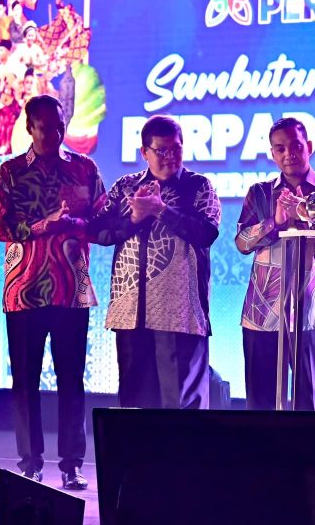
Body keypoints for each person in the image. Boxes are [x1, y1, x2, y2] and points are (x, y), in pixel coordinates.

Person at [0, 94, 104, 489]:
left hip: (71, 290)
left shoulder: (85, 168)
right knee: (25, 383)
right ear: (29, 128)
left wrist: (86, 224)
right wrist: (42, 225)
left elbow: (102, 220)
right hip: (25, 291)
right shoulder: (11, 172)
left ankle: (72, 466)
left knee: (72, 382)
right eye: (45, 127)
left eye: (59, 126)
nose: (53, 134)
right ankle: (30, 464)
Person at [89, 115, 221, 409]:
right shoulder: (126, 186)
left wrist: (161, 210)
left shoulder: (199, 186)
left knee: (181, 405)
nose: (170, 156)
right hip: (130, 312)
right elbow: (97, 231)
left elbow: (206, 233)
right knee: (135, 405)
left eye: (176, 149)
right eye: (161, 150)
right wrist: (135, 218)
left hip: (181, 314)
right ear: (144, 152)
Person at [235, 117, 315, 411]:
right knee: (261, 404)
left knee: (312, 403)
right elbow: (242, 243)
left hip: (313, 309)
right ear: (272, 153)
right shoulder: (259, 192)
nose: (288, 154)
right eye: (280, 149)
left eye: (295, 146)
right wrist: (275, 221)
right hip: (262, 310)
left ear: (309, 146)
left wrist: (306, 216)